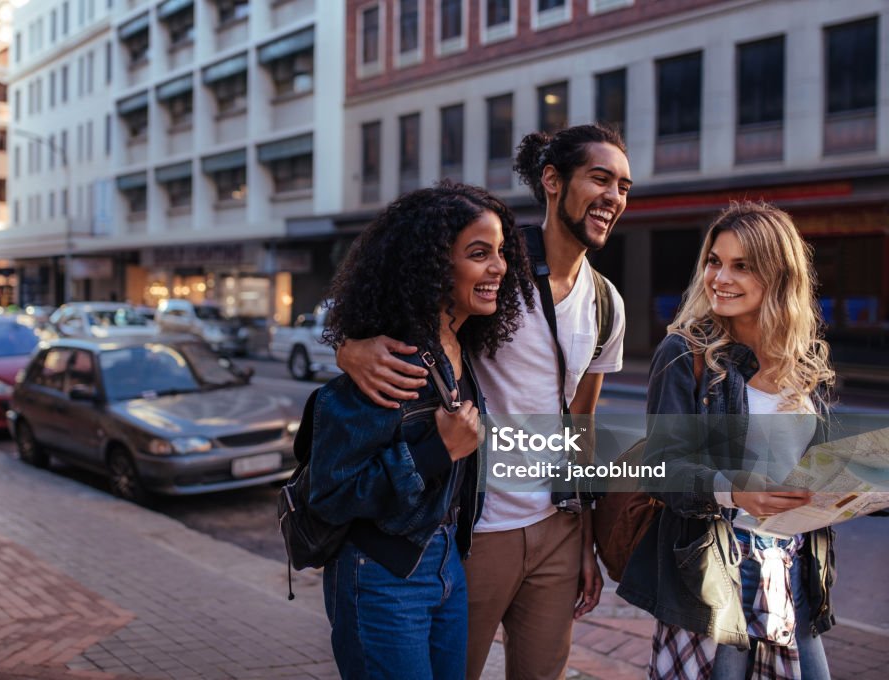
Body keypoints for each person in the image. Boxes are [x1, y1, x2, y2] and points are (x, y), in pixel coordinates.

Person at [337, 124, 632, 679]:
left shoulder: (607, 304)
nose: (614, 197)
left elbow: (582, 426)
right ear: (552, 180)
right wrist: (349, 349)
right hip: (475, 528)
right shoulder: (495, 267)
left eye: (624, 186)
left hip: (557, 530)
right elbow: (397, 307)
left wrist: (586, 541)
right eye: (600, 179)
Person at [308, 181, 535, 679]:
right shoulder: (391, 361)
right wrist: (435, 453)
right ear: (433, 266)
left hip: (447, 561)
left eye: (500, 252)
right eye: (479, 253)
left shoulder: (461, 345)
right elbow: (331, 493)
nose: (499, 267)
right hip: (384, 571)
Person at [617, 201, 837, 679]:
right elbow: (663, 469)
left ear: (779, 276)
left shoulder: (804, 362)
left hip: (794, 566)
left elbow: (815, 467)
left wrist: (856, 485)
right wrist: (735, 490)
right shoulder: (685, 353)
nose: (719, 277)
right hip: (717, 565)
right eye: (715, 261)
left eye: (742, 266)